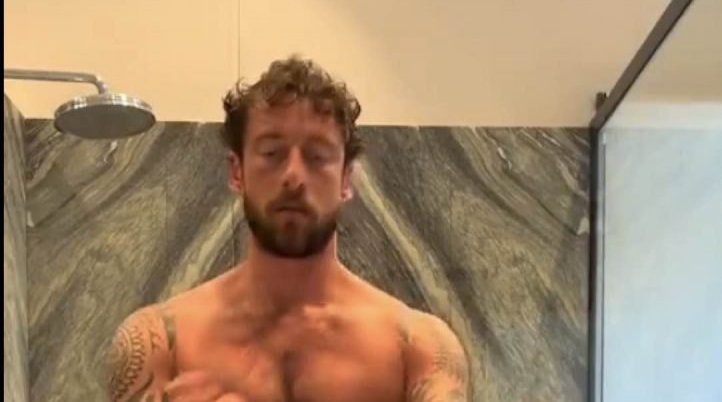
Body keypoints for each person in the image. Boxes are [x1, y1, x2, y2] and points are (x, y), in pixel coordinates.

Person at [106, 56, 469, 402]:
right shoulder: (158, 342)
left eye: (317, 156)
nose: (294, 176)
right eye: (272, 153)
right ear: (237, 172)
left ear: (345, 180)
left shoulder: (419, 347)